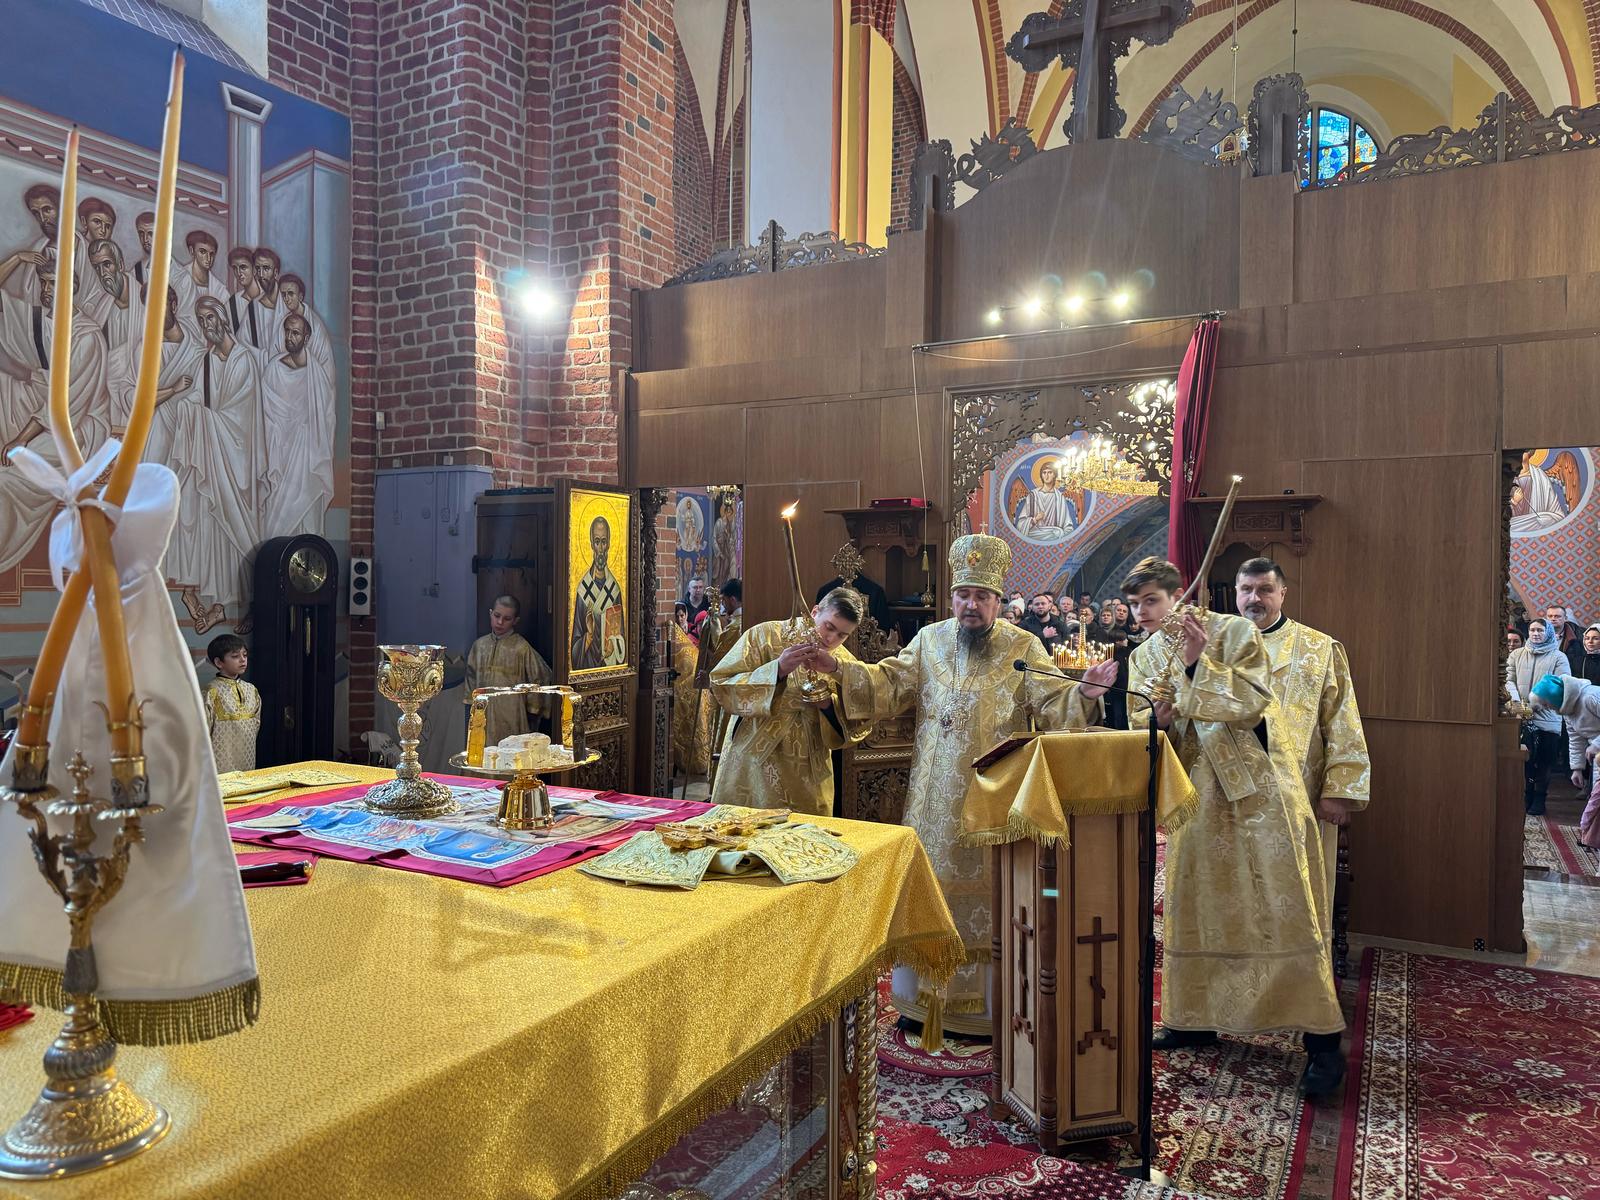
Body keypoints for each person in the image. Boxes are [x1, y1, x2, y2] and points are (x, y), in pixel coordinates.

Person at [832, 535, 1115, 1036]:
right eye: (963, 594)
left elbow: (1054, 703)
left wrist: (1085, 693)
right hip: (931, 802)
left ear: (998, 601)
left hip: (994, 800)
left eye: (982, 596)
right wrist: (838, 667)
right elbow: (887, 685)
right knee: (929, 892)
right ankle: (921, 1003)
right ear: (951, 598)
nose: (971, 605)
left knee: (991, 899)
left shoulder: (1023, 646)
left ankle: (985, 1013)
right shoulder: (929, 640)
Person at [1123, 556, 1344, 1099]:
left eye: (1151, 600)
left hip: (1261, 790)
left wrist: (1199, 664)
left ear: (1178, 596)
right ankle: (1193, 1019)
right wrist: (1158, 723)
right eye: (1134, 604)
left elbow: (1252, 704)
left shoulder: (1233, 632)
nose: (1142, 613)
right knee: (1198, 906)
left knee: (1284, 909)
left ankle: (1322, 1040)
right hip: (1196, 795)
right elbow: (1139, 724)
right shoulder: (1143, 655)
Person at [1235, 558, 1371, 946]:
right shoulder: (1215, 648)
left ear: (1282, 593)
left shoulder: (1319, 648)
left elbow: (1342, 719)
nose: (1254, 598)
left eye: (1264, 589)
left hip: (1299, 799)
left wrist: (1338, 790)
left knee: (1296, 896)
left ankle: (1301, 972)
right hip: (1233, 798)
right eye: (1246, 590)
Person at [709, 586, 872, 814]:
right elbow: (721, 683)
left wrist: (827, 705)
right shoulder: (764, 635)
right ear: (815, 612)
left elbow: (861, 719)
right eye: (829, 627)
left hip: (808, 768)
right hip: (755, 759)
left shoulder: (842, 662)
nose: (831, 638)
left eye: (842, 635)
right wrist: (776, 670)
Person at [260, 312, 335, 537]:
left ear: (306, 338)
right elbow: (265, 413)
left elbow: (327, 419)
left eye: (296, 333)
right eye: (287, 332)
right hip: (281, 454)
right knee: (275, 526)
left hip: (308, 458)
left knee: (309, 521)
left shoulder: (317, 376)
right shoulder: (274, 369)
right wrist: (282, 428)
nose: (290, 337)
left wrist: (306, 430)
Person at [464, 595, 553, 746]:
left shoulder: (521, 647)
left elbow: (541, 675)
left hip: (512, 715)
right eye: (497, 616)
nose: (500, 622)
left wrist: (533, 709)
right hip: (482, 714)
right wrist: (471, 704)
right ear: (490, 613)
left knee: (511, 752)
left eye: (507, 618)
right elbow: (470, 678)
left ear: (515, 620)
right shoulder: (479, 646)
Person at [1506, 618, 1570, 815]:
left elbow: (1559, 685)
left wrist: (1534, 705)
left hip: (1548, 716)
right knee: (1525, 759)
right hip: (1521, 716)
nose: (1535, 634)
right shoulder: (1517, 654)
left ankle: (1540, 797)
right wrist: (1517, 703)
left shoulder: (1559, 657)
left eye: (1540, 630)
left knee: (1544, 761)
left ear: (1548, 632)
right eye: (1532, 630)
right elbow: (1508, 679)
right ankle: (1527, 794)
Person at [1530, 674, 1600, 848]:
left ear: (1555, 696)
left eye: (1547, 704)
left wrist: (1597, 744)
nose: (1549, 708)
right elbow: (1576, 739)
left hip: (1597, 749)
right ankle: (1592, 837)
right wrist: (1577, 769)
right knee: (1596, 798)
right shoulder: (1567, 711)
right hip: (1597, 755)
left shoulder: (1590, 697)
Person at [570, 515, 626, 669]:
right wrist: (588, 635)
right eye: (597, 542)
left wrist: (614, 644)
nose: (600, 548)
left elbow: (622, 634)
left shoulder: (614, 589)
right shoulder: (583, 589)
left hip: (609, 666)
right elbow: (574, 645)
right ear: (591, 544)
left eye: (603, 541)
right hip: (587, 666)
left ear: (609, 544)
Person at [202, 634, 260, 774]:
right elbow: (203, 732)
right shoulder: (211, 691)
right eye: (235, 656)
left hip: (248, 759)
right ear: (219, 662)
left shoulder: (251, 690)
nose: (243, 660)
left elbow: (256, 724)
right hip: (220, 763)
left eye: (244, 655)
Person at [1013, 459, 1075, 537]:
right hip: (1034, 534)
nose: (1046, 476)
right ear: (1041, 475)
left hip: (1054, 535)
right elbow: (1020, 524)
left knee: (1059, 532)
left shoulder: (1060, 497)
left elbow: (1068, 525)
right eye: (1044, 473)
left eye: (1050, 472)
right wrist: (1035, 519)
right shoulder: (1032, 495)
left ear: (1055, 475)